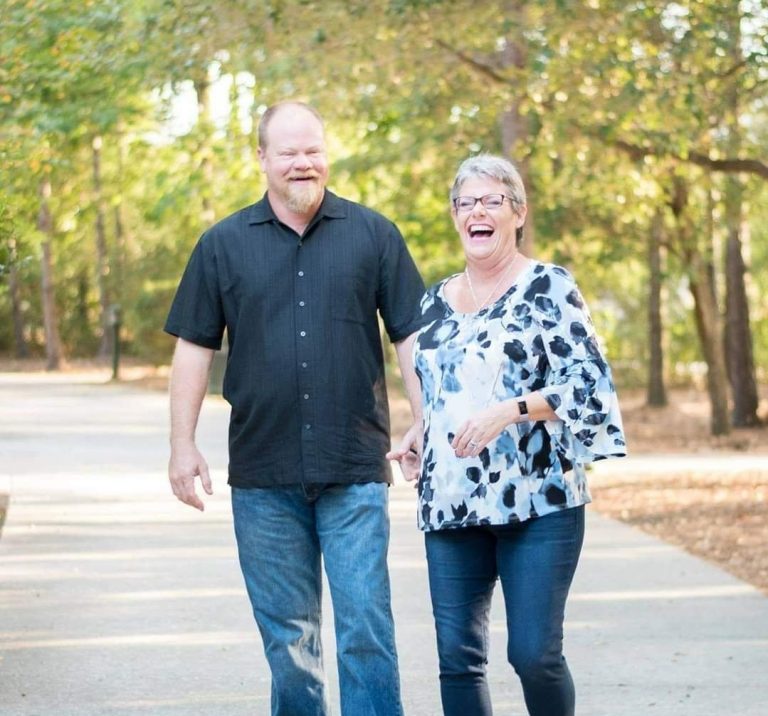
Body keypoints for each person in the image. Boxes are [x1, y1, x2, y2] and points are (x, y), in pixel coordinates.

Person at [164, 101, 425, 716]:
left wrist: (427, 415)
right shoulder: (222, 245)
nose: (303, 163)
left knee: (365, 631)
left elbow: (411, 335)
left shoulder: (374, 234)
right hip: (263, 475)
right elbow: (193, 349)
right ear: (262, 160)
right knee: (289, 642)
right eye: (288, 152)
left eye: (313, 150)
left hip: (353, 466)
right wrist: (182, 444)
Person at [388, 154, 626, 716]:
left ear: (517, 214)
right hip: (451, 503)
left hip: (539, 500)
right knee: (458, 660)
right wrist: (420, 432)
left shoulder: (550, 286)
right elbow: (440, 393)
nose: (478, 212)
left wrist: (510, 411)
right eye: (466, 202)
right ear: (455, 216)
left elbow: (590, 385)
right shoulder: (434, 300)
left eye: (492, 201)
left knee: (534, 653)